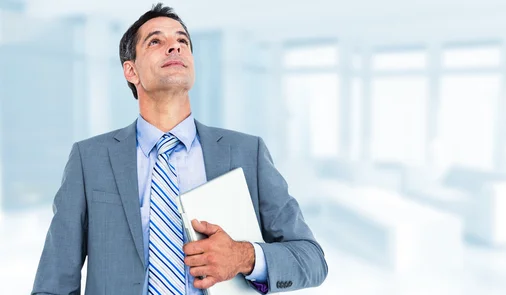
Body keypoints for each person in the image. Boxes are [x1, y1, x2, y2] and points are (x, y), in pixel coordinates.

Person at [31, 3, 328, 295]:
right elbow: (52, 285)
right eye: (156, 41)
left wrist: (244, 256)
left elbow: (312, 260)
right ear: (130, 71)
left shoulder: (246, 153)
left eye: (182, 41)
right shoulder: (89, 160)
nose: (174, 47)